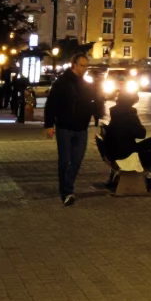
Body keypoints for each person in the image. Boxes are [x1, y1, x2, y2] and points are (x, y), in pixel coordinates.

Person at [44, 54, 103, 206]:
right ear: (74, 65)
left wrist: (96, 114)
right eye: (82, 65)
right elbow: (51, 105)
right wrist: (49, 125)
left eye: (86, 66)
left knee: (76, 160)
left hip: (81, 128)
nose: (85, 69)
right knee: (65, 161)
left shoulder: (85, 84)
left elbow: (92, 101)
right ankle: (66, 191)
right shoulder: (62, 83)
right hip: (65, 127)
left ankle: (67, 188)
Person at [105, 90, 151, 174]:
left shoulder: (116, 112)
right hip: (127, 153)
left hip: (118, 151)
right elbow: (141, 134)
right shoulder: (129, 114)